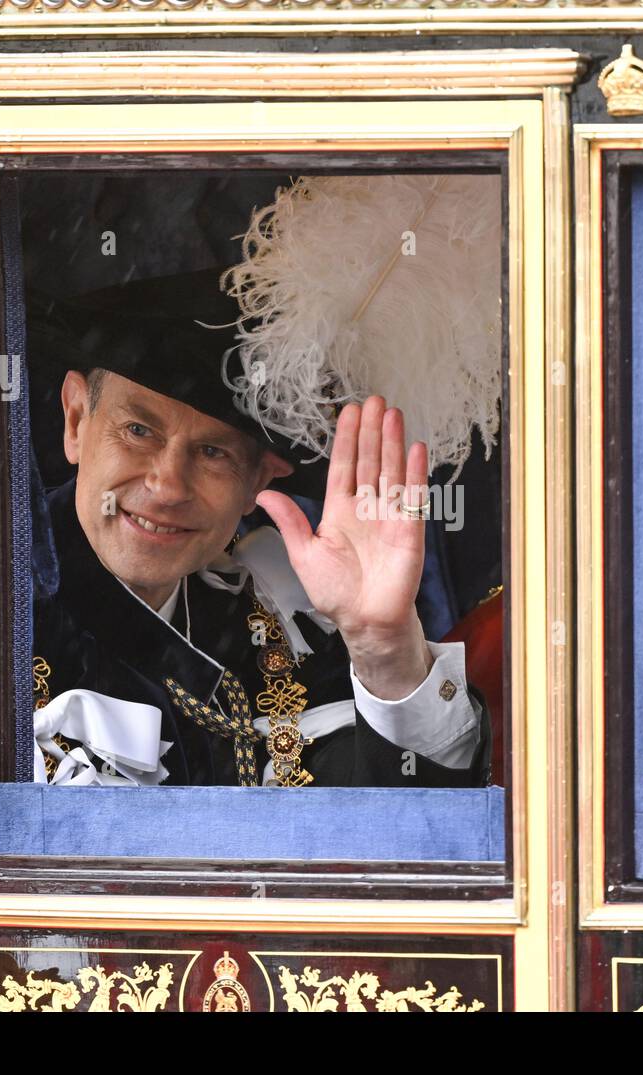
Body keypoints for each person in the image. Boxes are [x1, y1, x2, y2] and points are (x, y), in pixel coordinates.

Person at [28, 269, 489, 788]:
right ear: (75, 420)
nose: (168, 487)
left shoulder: (277, 633)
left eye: (213, 453)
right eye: (138, 430)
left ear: (258, 483)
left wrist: (383, 646)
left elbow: (401, 837)